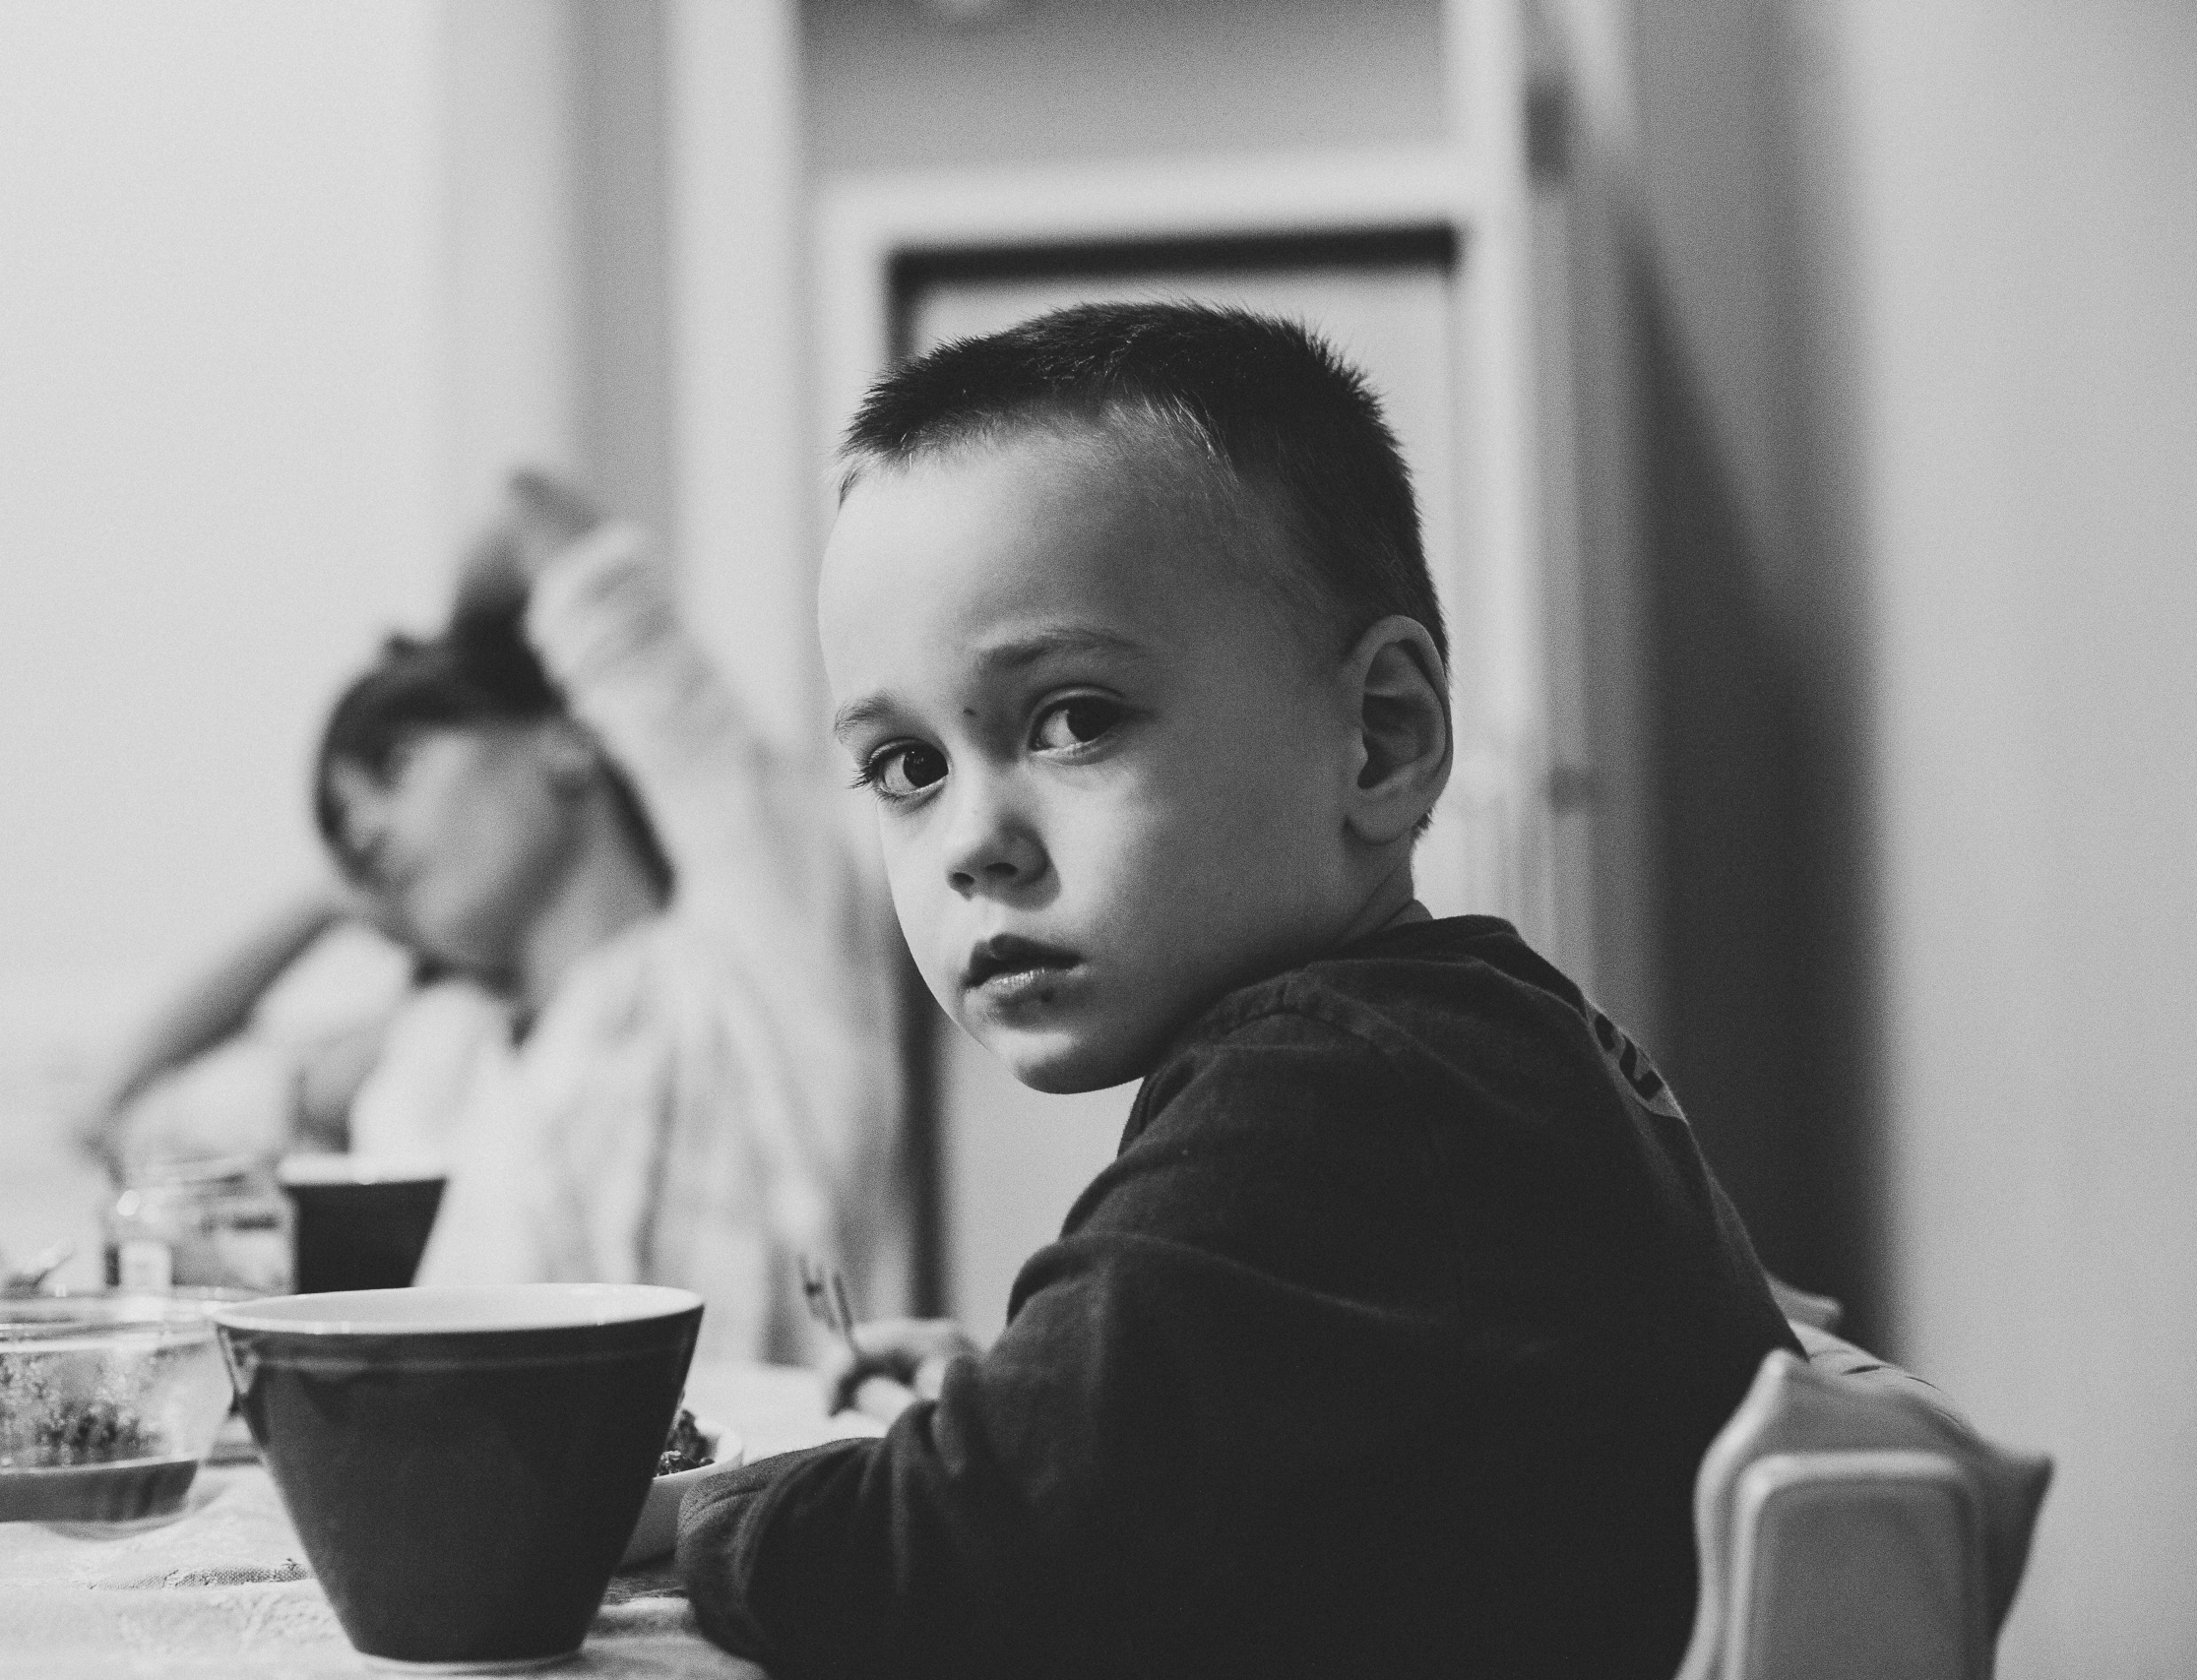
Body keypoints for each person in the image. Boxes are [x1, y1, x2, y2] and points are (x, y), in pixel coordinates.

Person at [676, 303, 1799, 1677]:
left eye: (1074, 718)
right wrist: (1007, 1411)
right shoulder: (1460, 1043)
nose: (972, 841)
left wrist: (719, 1502)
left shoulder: (1331, 1086)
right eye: (907, 767)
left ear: (1380, 734)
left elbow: (939, 1570)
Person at [92, 473, 906, 1363]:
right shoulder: (431, 1054)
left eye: (394, 762)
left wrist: (461, 666)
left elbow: (532, 516)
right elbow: (121, 1115)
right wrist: (334, 898)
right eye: (346, 835)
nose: (364, 834)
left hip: (753, 1450)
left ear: (565, 737)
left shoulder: (758, 945)